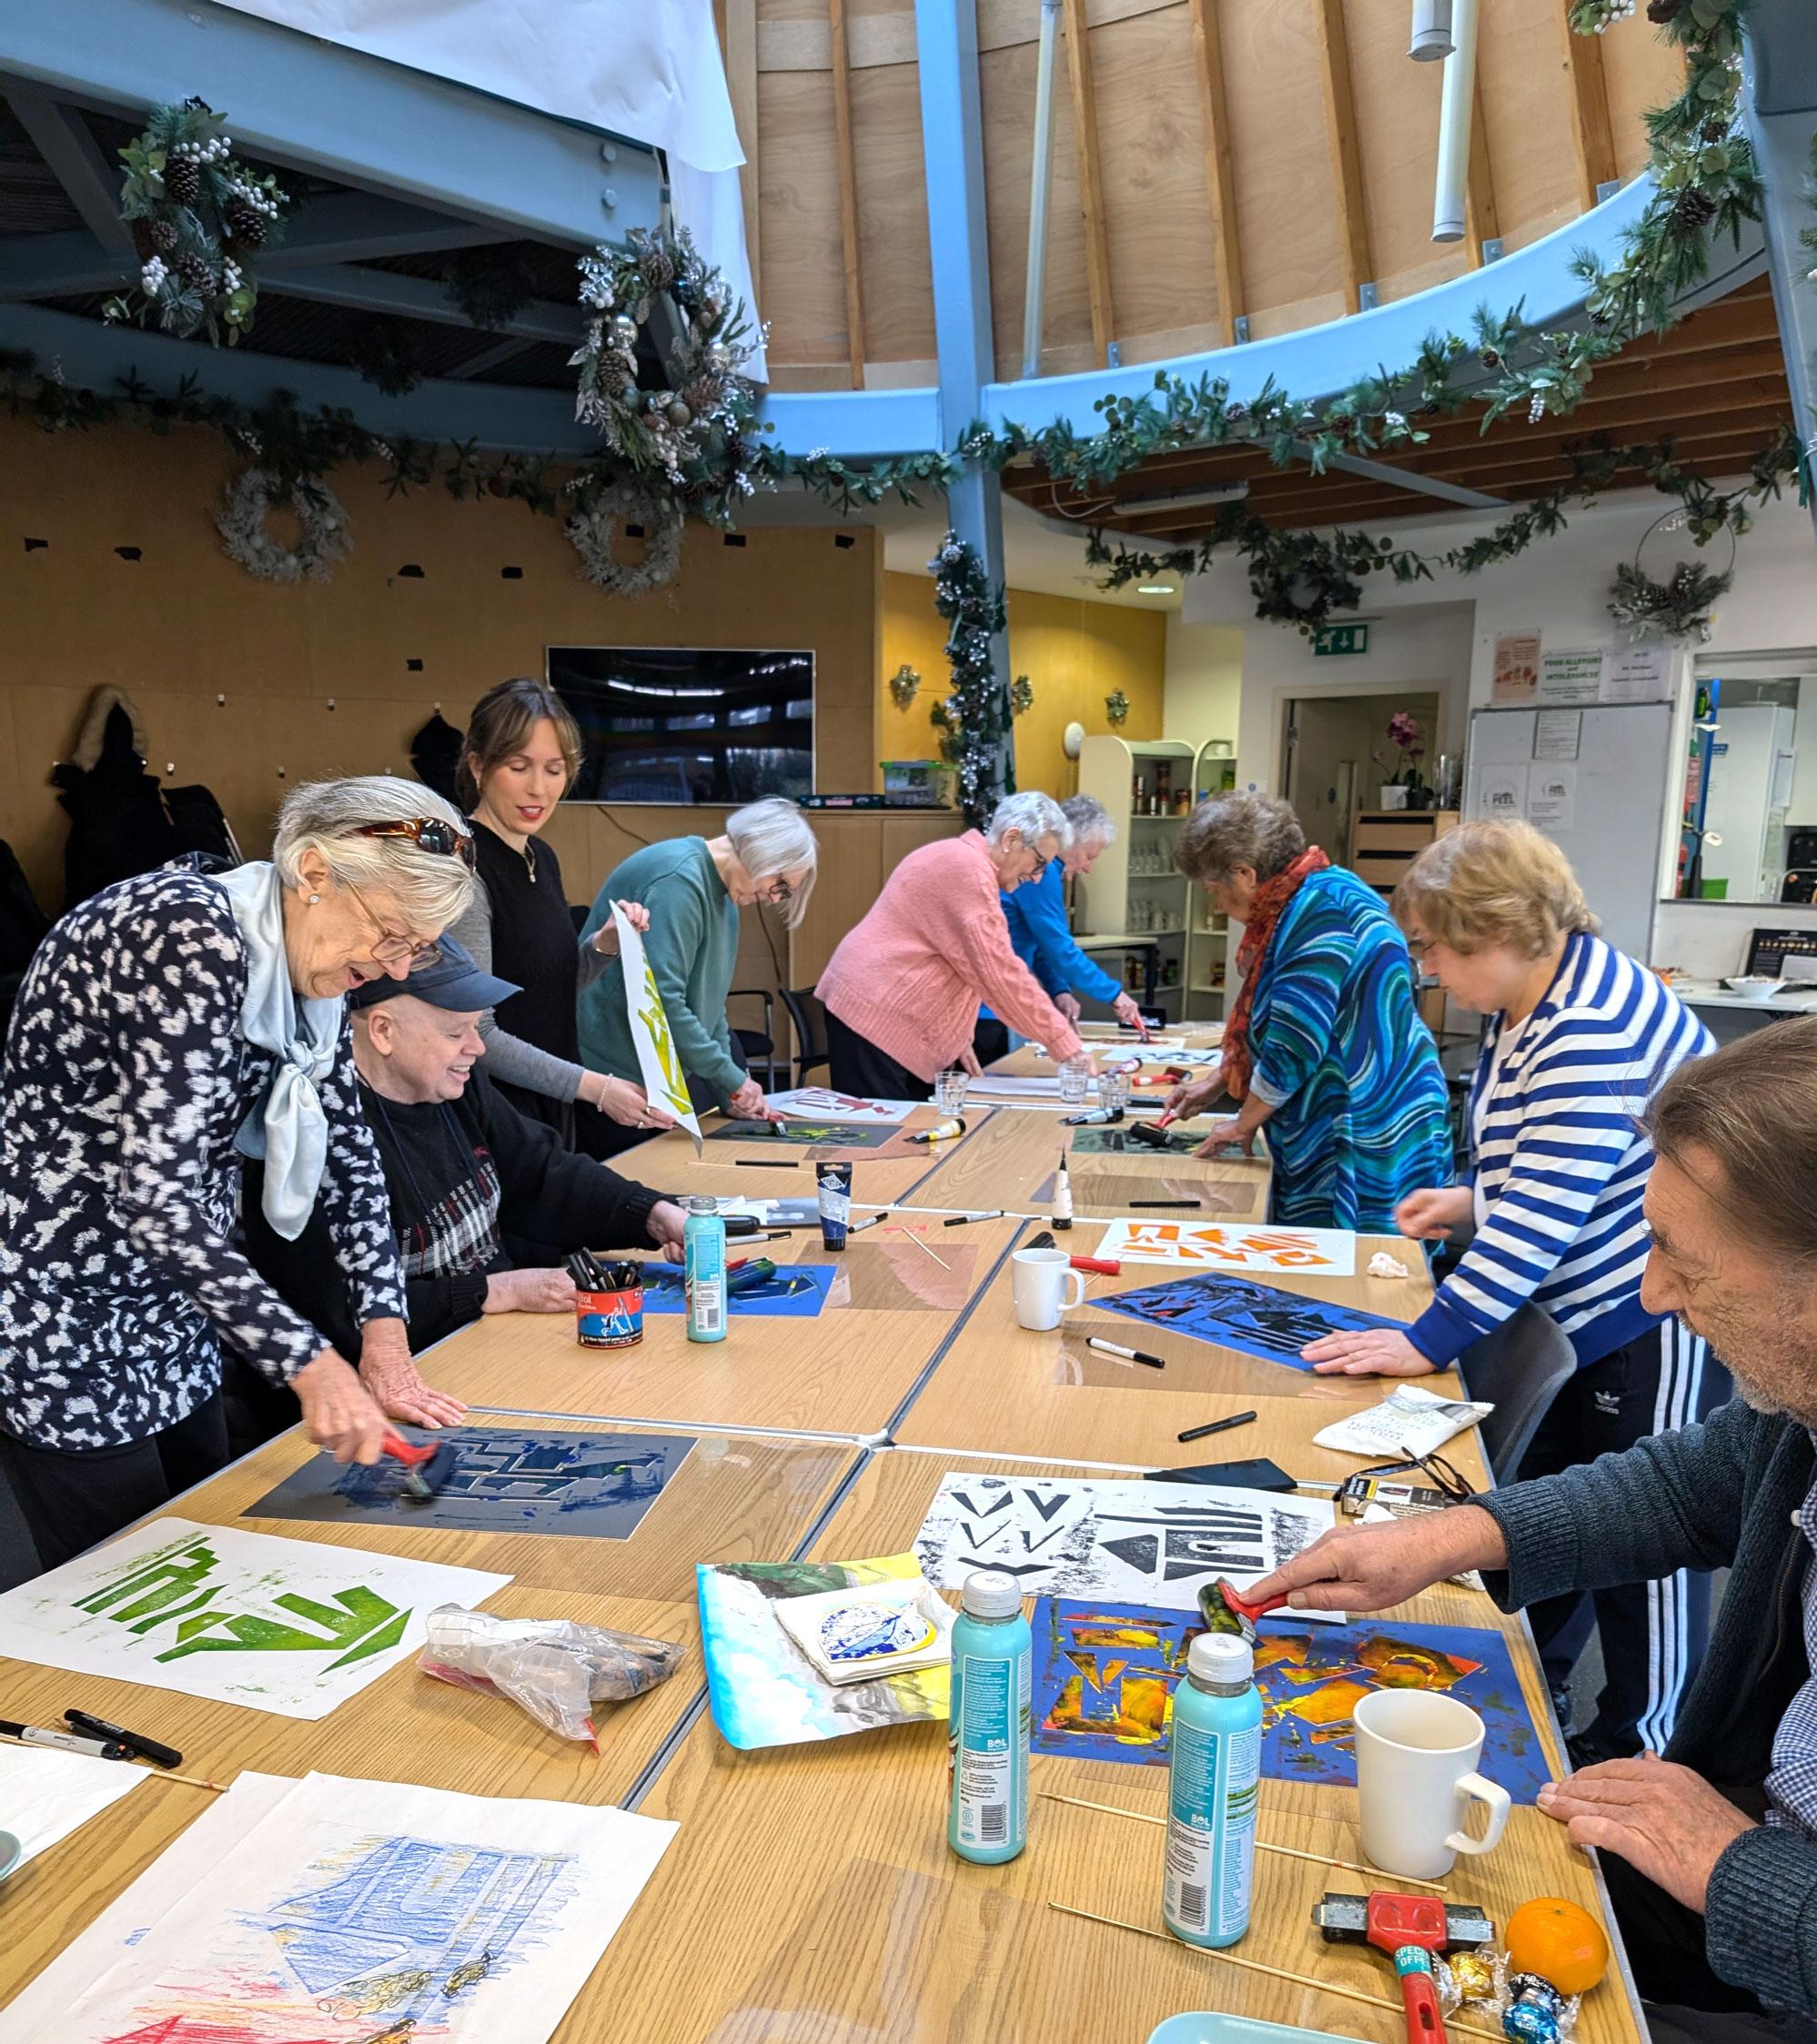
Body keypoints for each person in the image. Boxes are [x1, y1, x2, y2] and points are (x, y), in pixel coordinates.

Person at [1244, 1020, 1817, 2044]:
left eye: (1683, 1262)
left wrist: (1736, 1872)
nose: (1650, 1293)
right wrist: (1446, 1536)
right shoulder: (1798, 1410)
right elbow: (1694, 1486)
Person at [1303, 819, 1720, 1761]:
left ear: (1502, 933)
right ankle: (1561, 1718)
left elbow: (1541, 1216)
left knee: (1646, 1551)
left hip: (1648, 1315)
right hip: (1588, 1306)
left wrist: (1424, 1340)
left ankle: (1648, 1751)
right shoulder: (1527, 998)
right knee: (1573, 1514)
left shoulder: (1586, 1022)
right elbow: (1542, 1160)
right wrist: (1467, 1200)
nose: (1431, 970)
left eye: (1441, 948)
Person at [0, 779, 473, 1571]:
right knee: (117, 1596)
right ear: (315, 873)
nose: (390, 964)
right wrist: (311, 1362)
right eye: (390, 933)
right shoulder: (186, 934)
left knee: (205, 1553)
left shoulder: (310, 978)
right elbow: (158, 1196)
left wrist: (383, 1338)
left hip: (180, 1310)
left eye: (412, 948)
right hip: (65, 1314)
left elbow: (352, 1160)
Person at [237, 941, 687, 1443]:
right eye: (456, 1032)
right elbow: (333, 1313)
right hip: (393, 1404)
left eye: (476, 1028)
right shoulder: (312, 1133)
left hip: (493, 1354)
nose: (477, 1047)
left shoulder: (455, 1086)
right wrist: (499, 1290)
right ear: (383, 1031)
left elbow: (544, 1173)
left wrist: (653, 1214)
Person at [1164, 791, 1450, 1229]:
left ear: (1244, 873)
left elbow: (1296, 1044)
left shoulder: (1318, 911)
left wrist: (1242, 1124)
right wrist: (1219, 1082)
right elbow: (1287, 1019)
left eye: (1213, 890)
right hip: (1354, 1111)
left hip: (1362, 1124)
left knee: (1353, 1275)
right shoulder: (1311, 893)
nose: (1217, 906)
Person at [445, 677, 672, 1150]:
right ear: (478, 767)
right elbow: (476, 1031)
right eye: (518, 766)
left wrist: (604, 945)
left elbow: (541, 991)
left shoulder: (541, 857)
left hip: (551, 1104)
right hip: (497, 1115)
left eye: (554, 769)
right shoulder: (465, 869)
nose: (538, 789)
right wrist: (597, 1088)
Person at [816, 791, 1093, 1099]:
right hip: (872, 1011)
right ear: (1012, 840)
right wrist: (1066, 1045)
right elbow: (1000, 972)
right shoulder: (968, 871)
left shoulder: (966, 862)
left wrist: (956, 1034)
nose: (1038, 877)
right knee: (881, 1133)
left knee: (914, 1126)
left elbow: (961, 961)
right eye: (1039, 862)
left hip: (883, 1009)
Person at [576, 799, 818, 1125]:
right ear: (761, 852)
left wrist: (729, 1093)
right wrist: (733, 1080)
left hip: (651, 1073)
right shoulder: (679, 881)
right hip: (612, 1072)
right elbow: (664, 1004)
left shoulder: (726, 897)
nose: (775, 898)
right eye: (780, 884)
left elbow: (711, 1008)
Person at [973, 792, 1146, 1065]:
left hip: (990, 1004)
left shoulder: (1042, 870)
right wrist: (1114, 994)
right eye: (1089, 855)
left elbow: (1040, 945)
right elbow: (1060, 950)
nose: (1088, 867)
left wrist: (1059, 990)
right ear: (1071, 838)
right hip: (988, 1008)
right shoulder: (1042, 873)